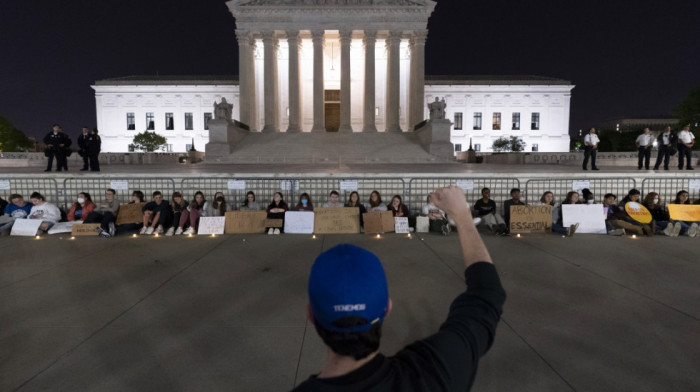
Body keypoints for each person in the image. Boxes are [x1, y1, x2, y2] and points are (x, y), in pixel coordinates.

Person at [293, 186, 505, 391]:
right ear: (387, 308)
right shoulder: (435, 373)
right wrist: (462, 215)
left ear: (310, 314)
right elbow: (487, 293)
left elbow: (487, 294)